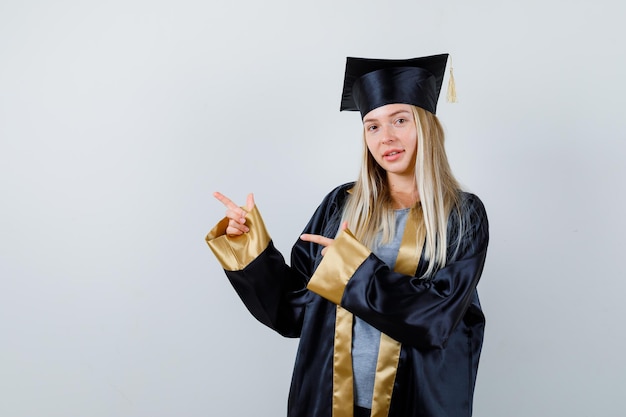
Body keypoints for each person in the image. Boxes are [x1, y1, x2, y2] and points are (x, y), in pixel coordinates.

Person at [206, 54, 489, 417]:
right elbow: (295, 312)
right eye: (372, 126)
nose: (385, 137)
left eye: (399, 120)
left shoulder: (462, 214)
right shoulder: (342, 204)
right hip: (329, 400)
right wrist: (248, 247)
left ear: (426, 127)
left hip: (416, 402)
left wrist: (352, 270)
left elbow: (435, 318)